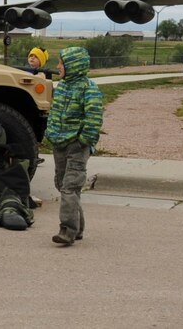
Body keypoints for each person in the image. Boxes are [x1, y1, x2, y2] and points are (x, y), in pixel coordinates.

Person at [45, 47, 103, 246]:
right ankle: (77, 228)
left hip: (77, 146)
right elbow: (54, 112)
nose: (58, 66)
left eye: (62, 63)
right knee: (62, 185)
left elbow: (94, 119)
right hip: (59, 143)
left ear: (73, 66)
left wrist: (83, 141)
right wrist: (50, 132)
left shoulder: (89, 89)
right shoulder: (61, 87)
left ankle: (67, 230)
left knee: (71, 186)